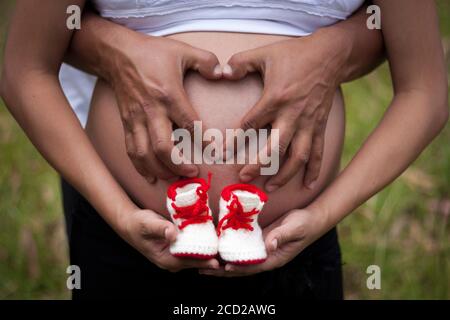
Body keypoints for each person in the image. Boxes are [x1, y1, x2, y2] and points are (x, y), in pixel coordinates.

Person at [1, 0, 447, 299]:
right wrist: (118, 213)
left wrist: (322, 215)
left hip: (293, 246)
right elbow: (26, 65)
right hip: (123, 235)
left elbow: (424, 89)